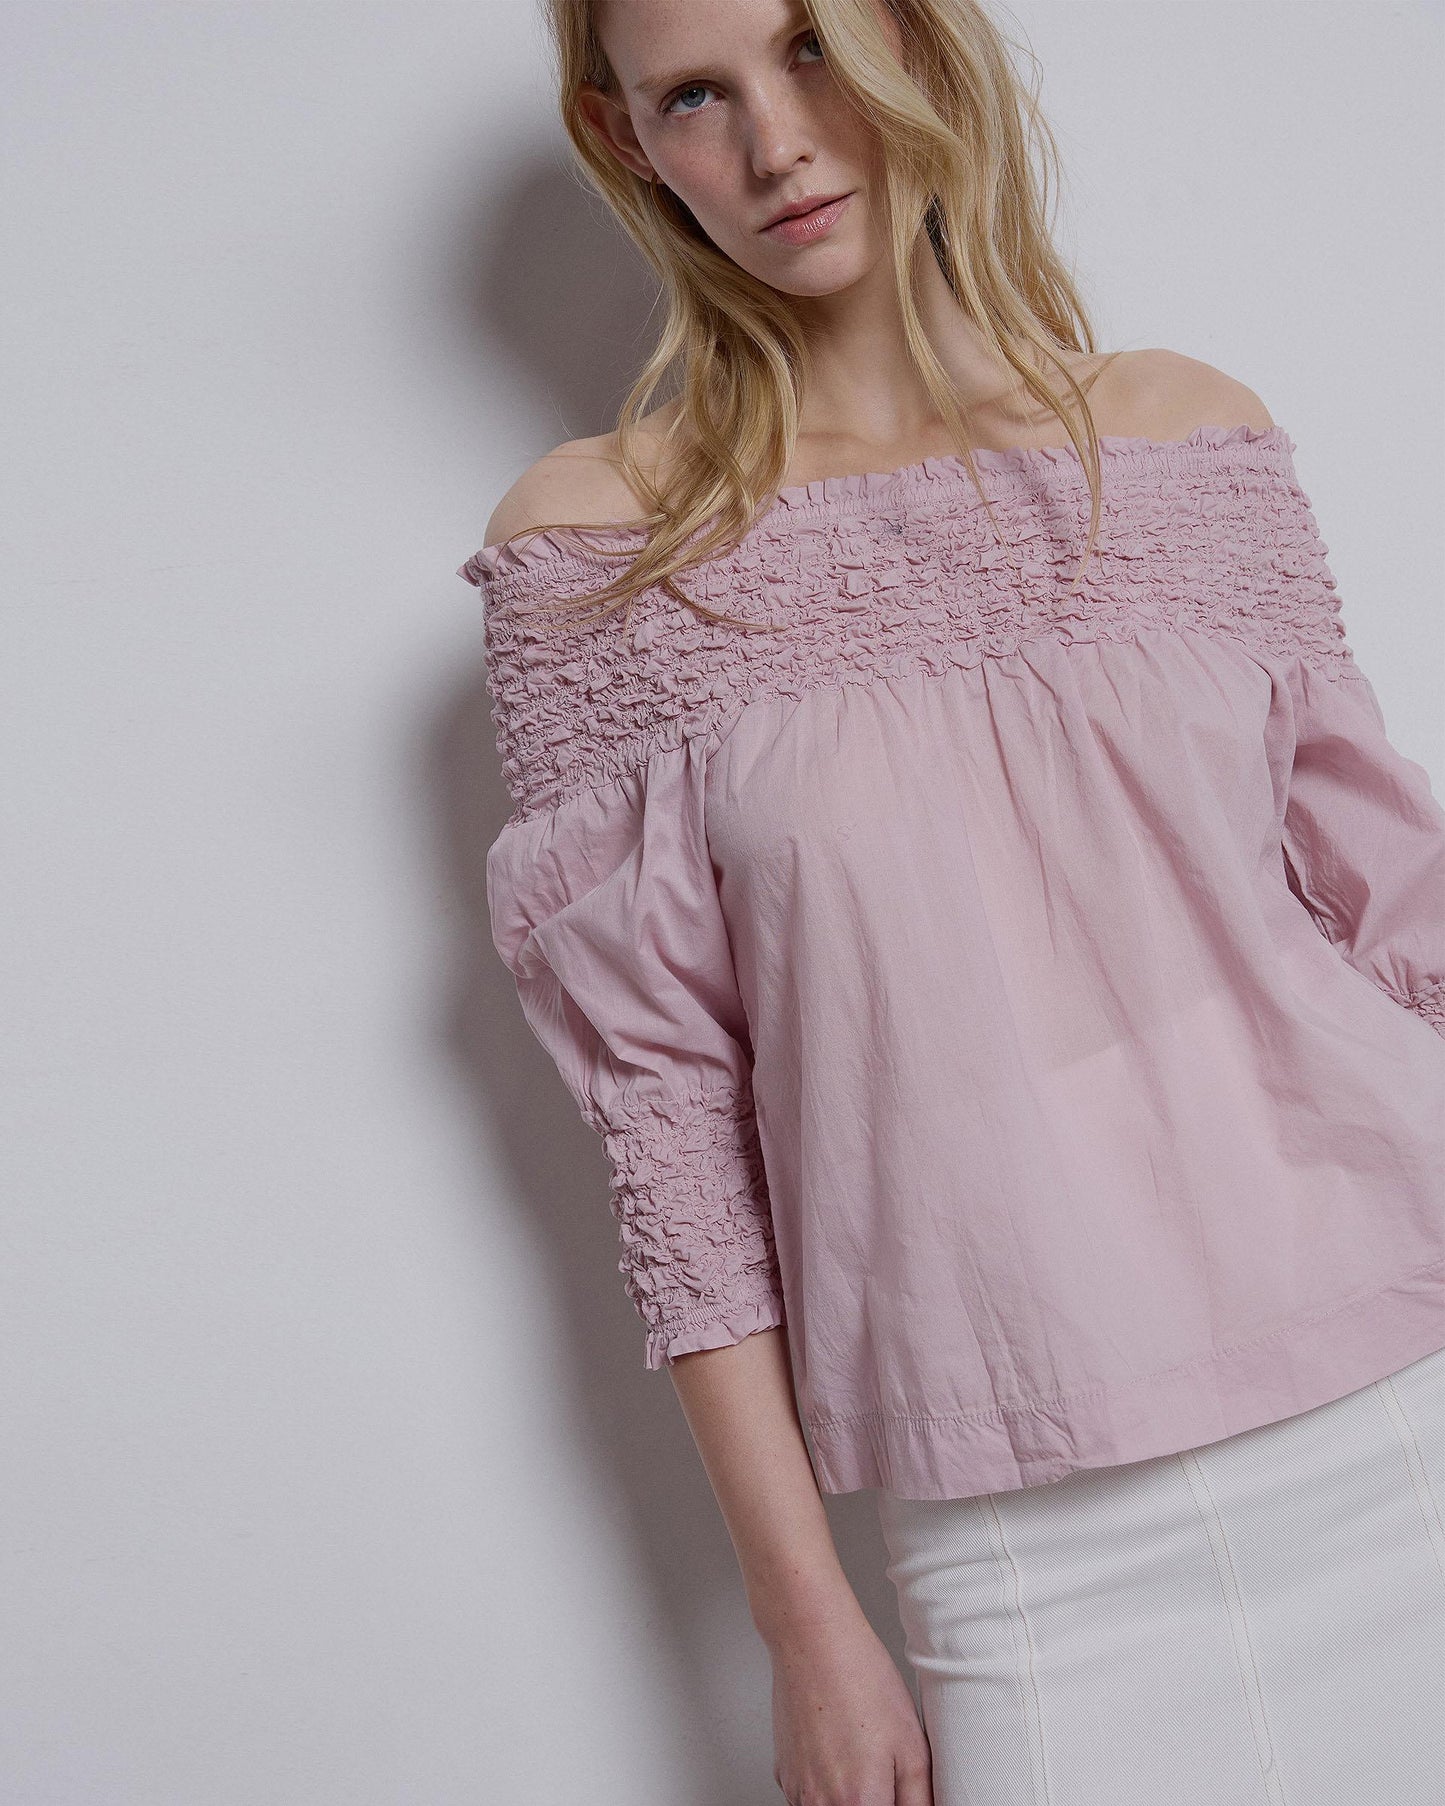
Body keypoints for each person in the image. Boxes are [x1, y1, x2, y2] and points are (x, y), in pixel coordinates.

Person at [458, 2, 1445, 1801]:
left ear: (917, 43)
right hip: (1024, 1538)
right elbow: (670, 1137)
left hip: (1409, 1395)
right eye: (697, 93)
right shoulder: (597, 551)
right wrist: (805, 1622)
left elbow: (1403, 922)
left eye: (812, 47)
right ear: (626, 141)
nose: (776, 141)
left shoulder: (1183, 434)